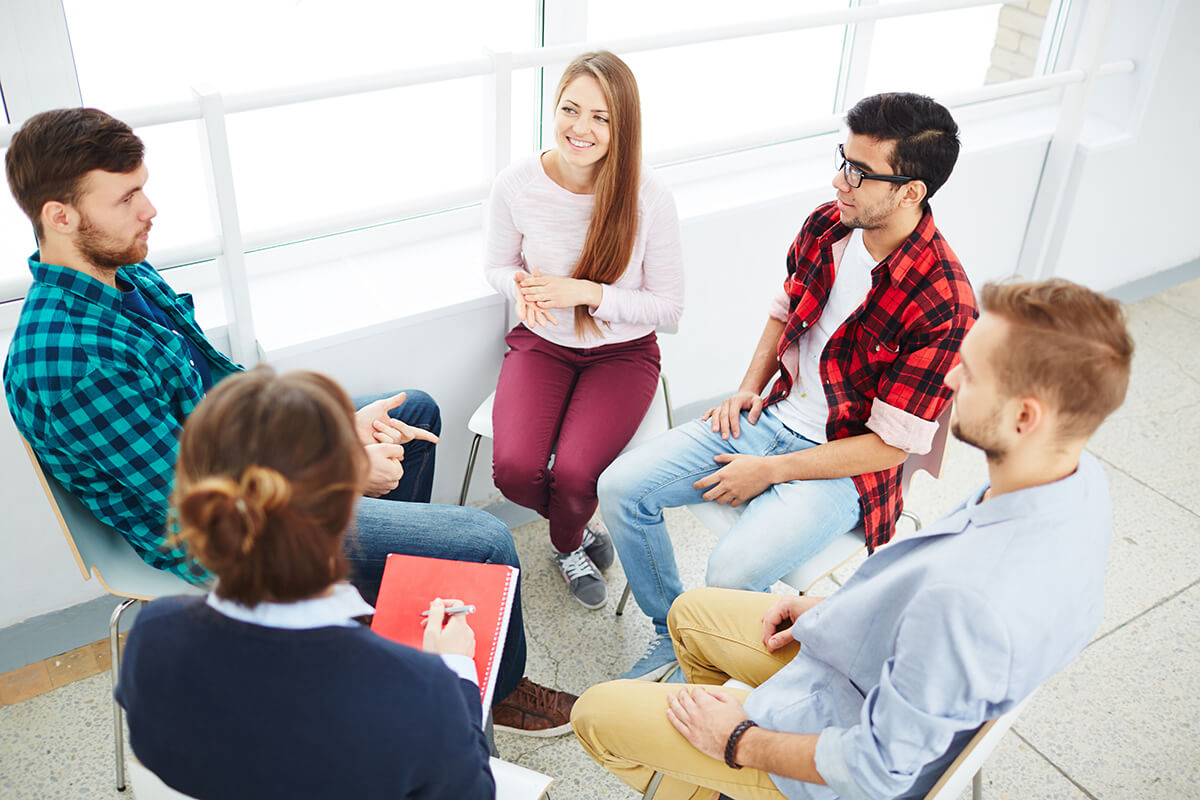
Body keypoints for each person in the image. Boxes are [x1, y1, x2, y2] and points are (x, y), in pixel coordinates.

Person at [3, 107, 573, 735]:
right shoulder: (73, 361)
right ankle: (498, 689)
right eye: (128, 196)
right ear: (60, 216)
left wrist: (334, 425)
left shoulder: (122, 270)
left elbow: (226, 388)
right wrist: (339, 472)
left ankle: (362, 622)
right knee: (486, 544)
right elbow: (203, 510)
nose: (151, 210)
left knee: (413, 411)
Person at [572, 278, 1135, 800]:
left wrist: (737, 739)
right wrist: (838, 605)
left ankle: (715, 770)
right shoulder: (1073, 481)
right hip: (871, 661)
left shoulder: (968, 602)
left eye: (973, 370)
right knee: (691, 614)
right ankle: (708, 777)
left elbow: (876, 768)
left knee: (596, 714)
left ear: (1024, 417)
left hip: (835, 753)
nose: (951, 379)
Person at [598, 92, 976, 680]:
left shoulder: (945, 301)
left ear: (910, 191)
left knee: (728, 572)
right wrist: (750, 385)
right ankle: (674, 634)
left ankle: (712, 653)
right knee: (620, 487)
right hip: (771, 415)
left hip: (844, 464)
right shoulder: (829, 224)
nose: (838, 180)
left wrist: (769, 472)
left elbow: (892, 447)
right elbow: (785, 308)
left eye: (858, 171)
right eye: (841, 159)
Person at [116, 367, 494, 799]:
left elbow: (153, 746)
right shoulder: (420, 689)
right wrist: (459, 674)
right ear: (345, 505)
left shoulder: (154, 633)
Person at [484, 50, 684, 609]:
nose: (581, 128)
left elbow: (668, 306)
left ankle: (566, 540)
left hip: (622, 356)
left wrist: (588, 294)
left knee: (576, 477)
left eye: (601, 117)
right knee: (515, 472)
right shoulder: (517, 184)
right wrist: (517, 287)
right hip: (542, 345)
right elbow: (497, 265)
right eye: (571, 109)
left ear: (623, 126)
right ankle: (582, 529)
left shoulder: (649, 195)